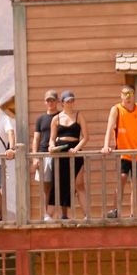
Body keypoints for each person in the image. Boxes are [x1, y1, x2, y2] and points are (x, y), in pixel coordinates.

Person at [102, 85, 137, 218]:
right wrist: (106, 146)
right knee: (122, 178)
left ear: (134, 95)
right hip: (123, 152)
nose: (128, 97)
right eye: (125, 94)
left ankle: (133, 214)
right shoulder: (116, 109)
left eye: (130, 94)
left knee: (136, 183)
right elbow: (109, 128)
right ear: (121, 95)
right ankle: (115, 211)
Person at [48, 91, 86, 220]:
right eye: (67, 101)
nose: (70, 103)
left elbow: (86, 137)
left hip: (75, 151)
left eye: (72, 101)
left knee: (79, 184)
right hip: (60, 151)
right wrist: (51, 146)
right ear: (62, 103)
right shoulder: (56, 118)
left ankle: (87, 215)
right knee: (58, 183)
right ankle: (51, 215)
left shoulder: (79, 115)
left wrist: (76, 149)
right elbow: (52, 138)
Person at [31, 90, 61, 219]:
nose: (50, 102)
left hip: (59, 154)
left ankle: (59, 214)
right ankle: (46, 215)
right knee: (46, 186)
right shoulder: (40, 119)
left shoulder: (61, 116)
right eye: (48, 100)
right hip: (44, 154)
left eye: (52, 100)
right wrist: (35, 157)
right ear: (45, 102)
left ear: (57, 101)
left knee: (60, 184)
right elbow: (36, 139)